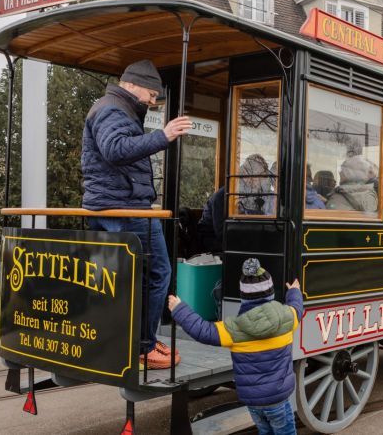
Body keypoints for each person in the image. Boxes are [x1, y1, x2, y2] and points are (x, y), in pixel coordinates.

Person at [81, 59, 192, 369]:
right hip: (124, 208)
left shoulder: (117, 108)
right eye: (152, 94)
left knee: (129, 277)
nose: (154, 101)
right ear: (132, 84)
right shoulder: (112, 109)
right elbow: (115, 150)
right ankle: (143, 345)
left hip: (120, 205)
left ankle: (139, 339)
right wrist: (164, 135)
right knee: (157, 274)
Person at [168, 258, 303, 435]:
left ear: (244, 297)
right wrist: (294, 291)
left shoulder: (233, 329)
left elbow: (203, 330)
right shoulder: (288, 318)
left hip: (253, 402)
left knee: (265, 432)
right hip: (278, 399)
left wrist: (179, 309)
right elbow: (296, 307)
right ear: (270, 293)